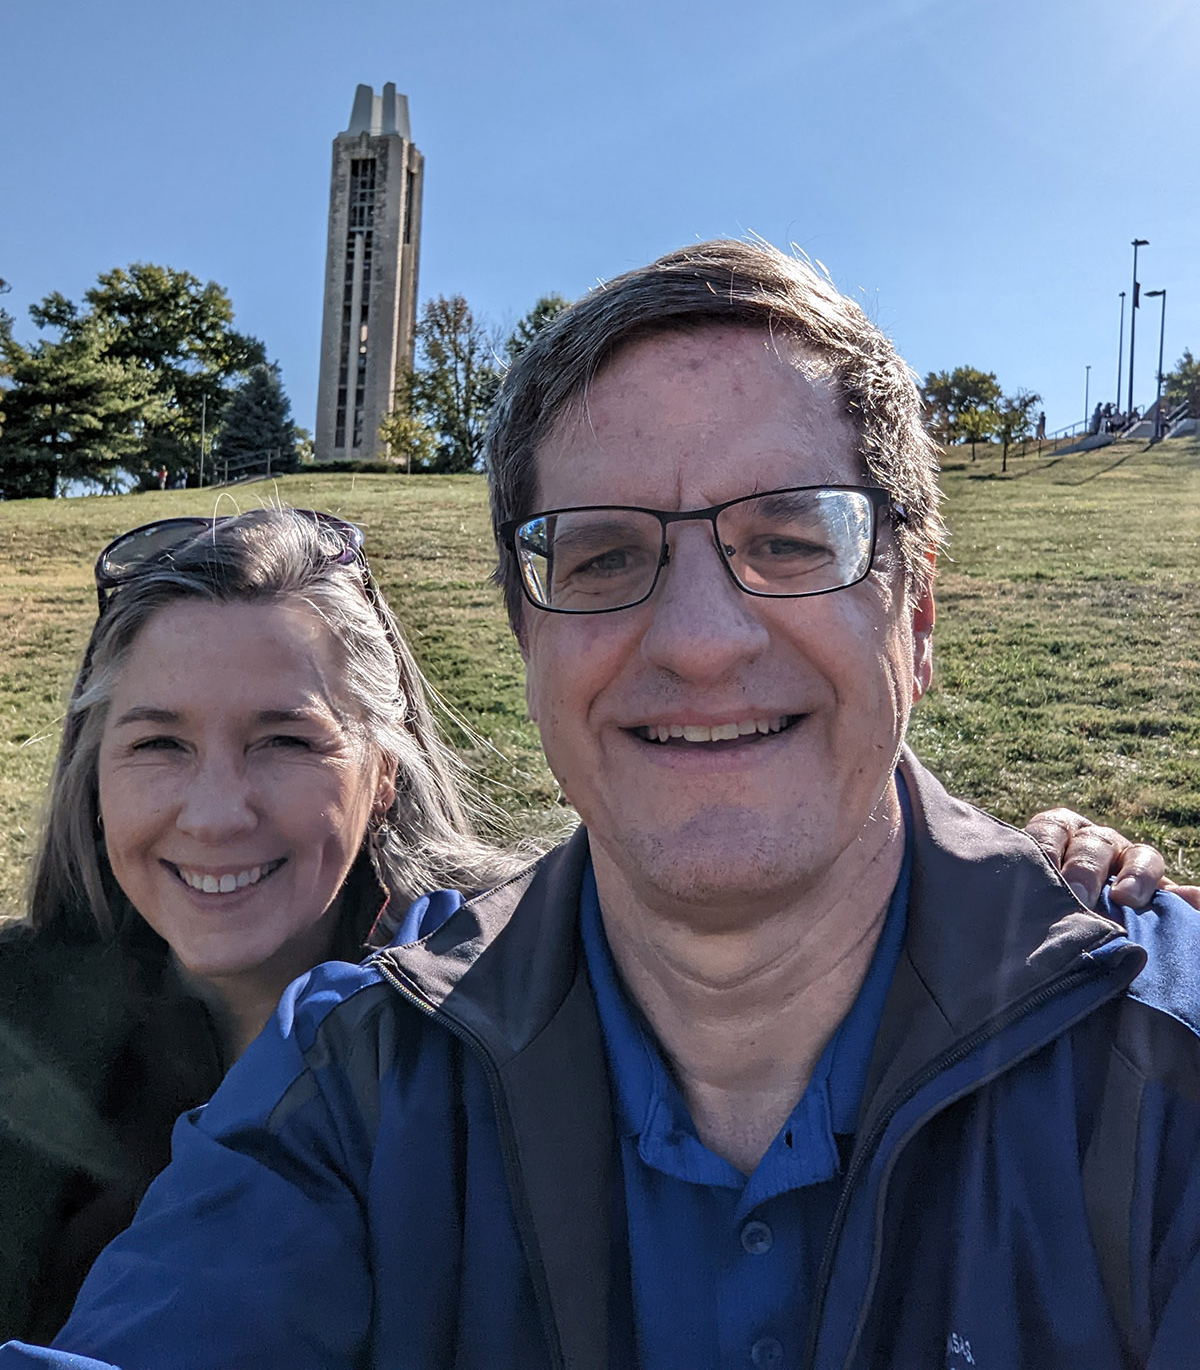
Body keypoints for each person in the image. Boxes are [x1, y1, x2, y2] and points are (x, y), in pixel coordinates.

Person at [7, 243, 1200, 1368]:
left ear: (918, 609)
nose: (697, 641)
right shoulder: (356, 1073)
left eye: (791, 536)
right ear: (529, 639)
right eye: (602, 556)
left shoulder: (1161, 1054)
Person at [0, 508, 530, 1345]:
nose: (215, 816)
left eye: (284, 740)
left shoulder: (515, 1037)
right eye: (160, 745)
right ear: (94, 771)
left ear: (382, 773)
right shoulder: (15, 1026)